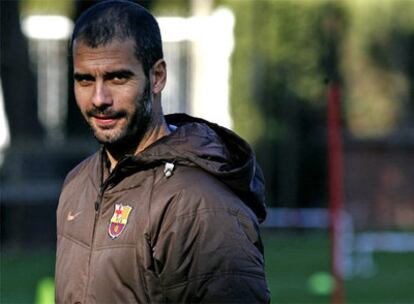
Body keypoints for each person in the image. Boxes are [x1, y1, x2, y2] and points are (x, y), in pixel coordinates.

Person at [55, 0, 270, 302]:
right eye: (85, 80)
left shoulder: (201, 205)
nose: (99, 98)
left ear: (157, 77)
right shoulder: (78, 183)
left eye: (118, 77)